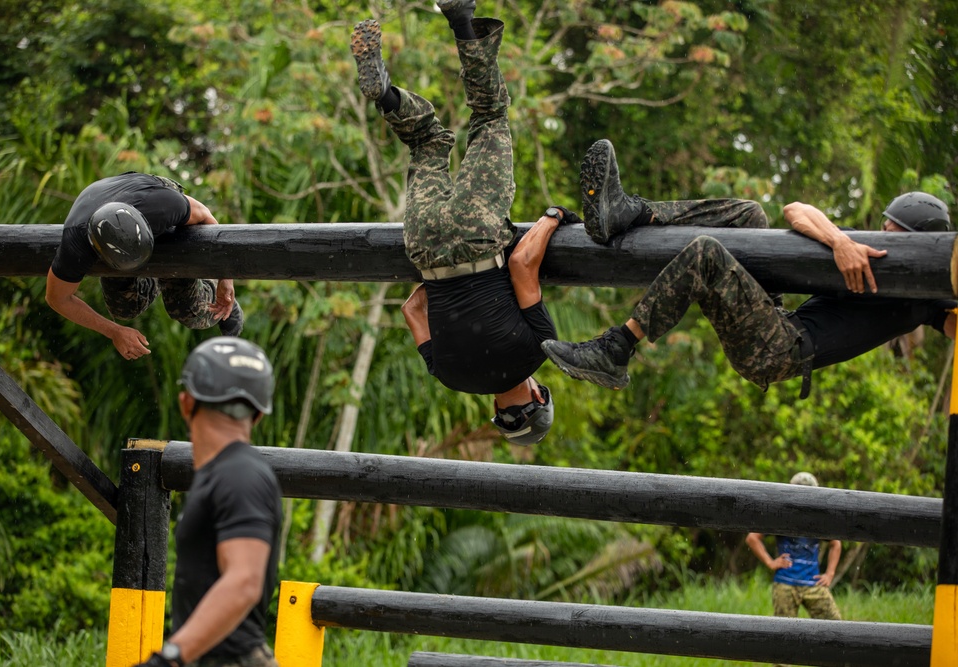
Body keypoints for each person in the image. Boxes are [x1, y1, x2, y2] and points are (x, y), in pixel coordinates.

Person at [542, 139, 956, 395]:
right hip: (776, 318)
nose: (884, 236)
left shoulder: (927, 297)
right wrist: (841, 241)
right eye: (884, 228)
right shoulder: (862, 251)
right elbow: (795, 210)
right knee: (750, 214)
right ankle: (631, 212)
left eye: (894, 232)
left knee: (706, 253)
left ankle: (616, 349)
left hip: (780, 349)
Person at [350, 0, 571, 445]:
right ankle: (386, 96)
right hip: (426, 246)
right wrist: (443, 282)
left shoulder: (537, 352)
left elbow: (522, 264)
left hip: (478, 235)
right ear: (496, 408)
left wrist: (554, 217)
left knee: (489, 116)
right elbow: (412, 309)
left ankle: (461, 18)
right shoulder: (448, 375)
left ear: (538, 398)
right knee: (427, 141)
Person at [135, 336, 281, 667]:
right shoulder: (226, 473)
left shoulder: (240, 473)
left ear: (186, 403)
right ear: (258, 414)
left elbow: (244, 582)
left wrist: (170, 656)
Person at [46, 172, 243, 361]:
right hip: (101, 207)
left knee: (185, 309)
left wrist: (225, 278)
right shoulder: (76, 243)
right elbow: (57, 297)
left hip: (150, 200)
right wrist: (114, 331)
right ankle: (154, 277)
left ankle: (218, 298)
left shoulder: (165, 206)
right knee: (123, 308)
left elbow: (207, 217)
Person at [746, 472, 842, 666]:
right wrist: (771, 562)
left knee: (836, 631)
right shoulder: (780, 515)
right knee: (783, 640)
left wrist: (830, 573)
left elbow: (836, 544)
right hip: (786, 584)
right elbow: (752, 538)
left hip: (813, 583)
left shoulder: (819, 519)